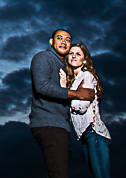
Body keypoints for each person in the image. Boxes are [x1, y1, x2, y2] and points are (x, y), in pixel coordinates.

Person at [30, 29, 96, 178]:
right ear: (51, 42)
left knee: (60, 172)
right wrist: (77, 94)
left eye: (68, 39)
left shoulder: (63, 66)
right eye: (60, 38)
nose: (64, 42)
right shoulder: (43, 57)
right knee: (59, 174)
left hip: (60, 125)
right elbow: (42, 87)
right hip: (48, 123)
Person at [66, 43, 111, 178]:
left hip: (94, 132)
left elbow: (82, 106)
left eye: (78, 54)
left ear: (84, 60)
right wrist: (70, 92)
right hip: (85, 135)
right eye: (71, 53)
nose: (73, 56)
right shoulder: (73, 81)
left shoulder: (86, 75)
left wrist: (69, 96)